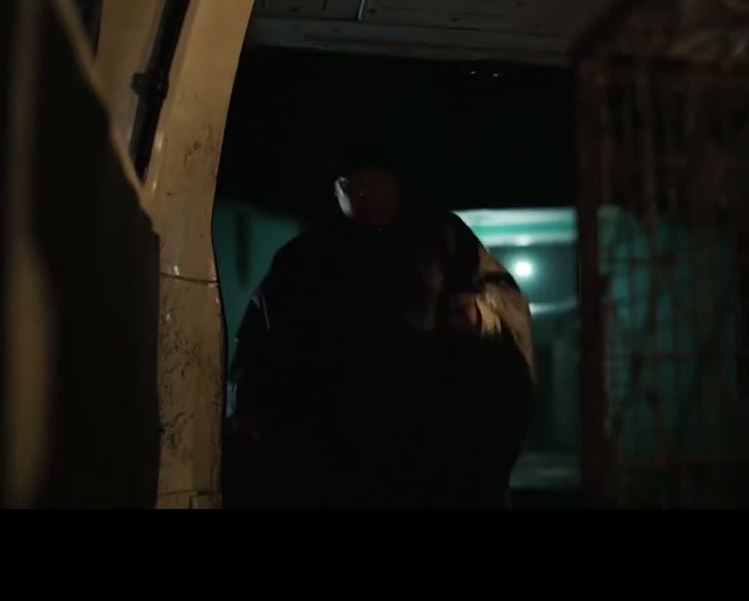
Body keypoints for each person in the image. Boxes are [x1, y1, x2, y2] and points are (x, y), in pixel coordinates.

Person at [222, 142, 534, 508]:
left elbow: (503, 300)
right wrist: (249, 413)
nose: (364, 195)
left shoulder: (442, 238)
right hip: (332, 460)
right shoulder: (301, 260)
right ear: (336, 190)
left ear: (396, 185)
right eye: (351, 185)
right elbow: (259, 346)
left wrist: (482, 315)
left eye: (375, 183)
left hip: (431, 457)